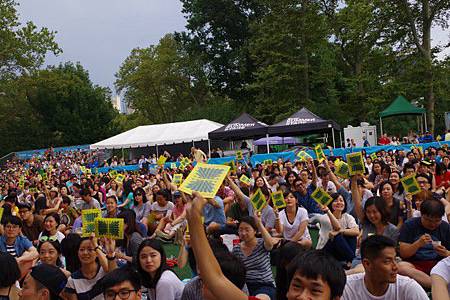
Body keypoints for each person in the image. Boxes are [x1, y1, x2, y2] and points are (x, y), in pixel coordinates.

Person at [343, 235, 428, 300]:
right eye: (387, 261)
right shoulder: (347, 288)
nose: (395, 267)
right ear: (367, 264)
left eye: (395, 259)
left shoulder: (408, 288)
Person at [397, 198, 450, 288]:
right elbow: (403, 254)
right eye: (428, 220)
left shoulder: (445, 227)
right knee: (401, 267)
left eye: (437, 221)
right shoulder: (410, 225)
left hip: (440, 265)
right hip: (415, 265)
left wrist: (446, 253)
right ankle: (438, 287)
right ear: (421, 214)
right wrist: (417, 244)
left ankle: (434, 286)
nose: (433, 224)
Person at [232, 215, 276, 299]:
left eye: (247, 230)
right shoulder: (236, 249)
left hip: (265, 285)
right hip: (244, 285)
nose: (243, 233)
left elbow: (270, 244)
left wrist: (259, 222)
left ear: (255, 231)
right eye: (240, 230)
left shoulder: (262, 244)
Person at [63, 235, 116, 300]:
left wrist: (110, 253)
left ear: (97, 253)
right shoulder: (72, 280)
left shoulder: (104, 270)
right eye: (81, 250)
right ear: (77, 253)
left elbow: (114, 277)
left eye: (90, 249)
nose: (85, 253)